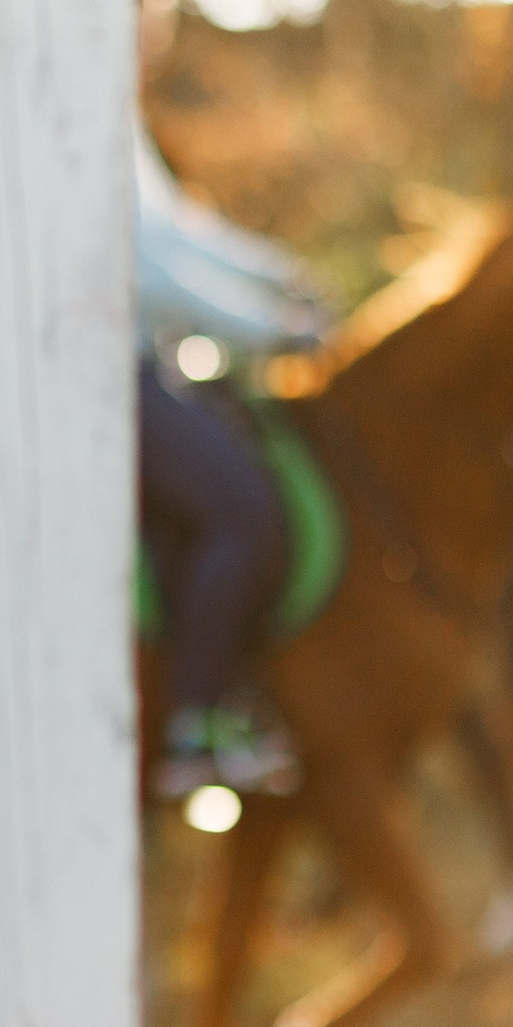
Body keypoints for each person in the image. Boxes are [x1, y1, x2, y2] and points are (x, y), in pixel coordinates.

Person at [135, 125, 329, 800]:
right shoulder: (89, 114)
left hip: (152, 365)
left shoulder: (122, 123)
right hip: (113, 375)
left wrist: (276, 272)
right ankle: (196, 722)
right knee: (241, 511)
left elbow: (183, 235)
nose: (156, 36)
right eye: (147, 18)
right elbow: (149, 269)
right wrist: (270, 328)